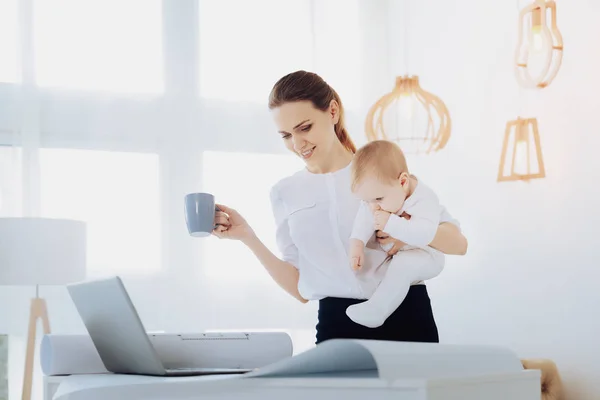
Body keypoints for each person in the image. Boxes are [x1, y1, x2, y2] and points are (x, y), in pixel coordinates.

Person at [212, 70, 467, 344]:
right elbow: (300, 289)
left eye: (305, 127)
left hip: (407, 316)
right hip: (337, 325)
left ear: (332, 111)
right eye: (286, 135)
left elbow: (458, 244)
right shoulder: (284, 193)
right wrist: (248, 237)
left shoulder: (380, 170)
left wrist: (406, 232)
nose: (298, 144)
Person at [346, 140, 445, 328]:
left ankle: (377, 310)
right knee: (399, 266)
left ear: (403, 181)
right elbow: (364, 217)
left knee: (403, 265)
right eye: (367, 201)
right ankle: (375, 306)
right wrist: (357, 243)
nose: (373, 206)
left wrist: (391, 223)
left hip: (428, 254)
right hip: (403, 252)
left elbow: (426, 234)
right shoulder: (379, 197)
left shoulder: (425, 199)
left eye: (378, 199)